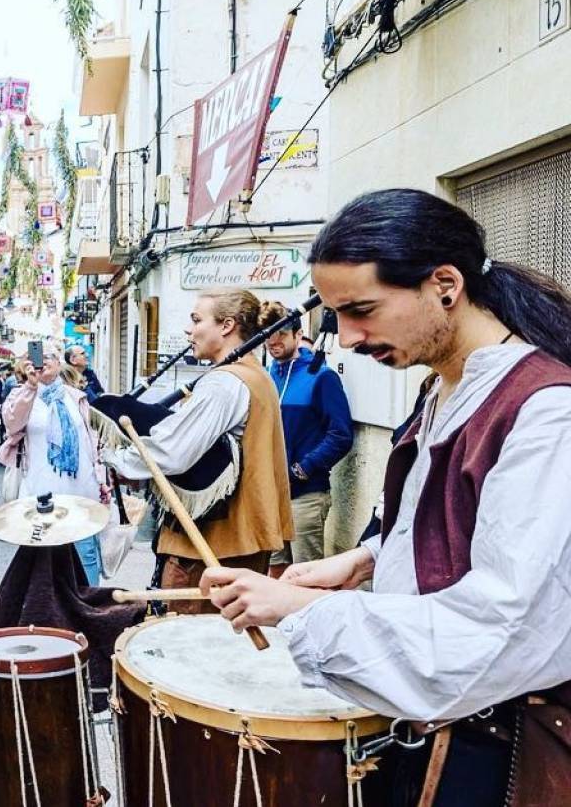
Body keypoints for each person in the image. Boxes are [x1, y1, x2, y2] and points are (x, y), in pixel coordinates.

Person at [201, 190, 571, 807]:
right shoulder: (444, 388)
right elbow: (460, 522)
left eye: (362, 309)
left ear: (444, 285)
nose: (345, 337)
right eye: (334, 314)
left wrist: (297, 608)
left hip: (500, 753)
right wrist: (367, 558)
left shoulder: (547, 414)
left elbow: (503, 628)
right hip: (442, 731)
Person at [101, 288, 292, 609]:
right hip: (239, 540)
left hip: (209, 545)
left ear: (227, 325)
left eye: (196, 319)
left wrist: (112, 459)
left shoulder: (224, 383)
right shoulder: (257, 376)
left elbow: (171, 452)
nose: (189, 330)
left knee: (186, 643)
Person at [0, 352, 108, 583]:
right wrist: (30, 385)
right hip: (40, 497)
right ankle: (47, 615)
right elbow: (12, 424)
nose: (42, 360)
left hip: (82, 493)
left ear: (59, 363)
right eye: (36, 355)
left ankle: (85, 613)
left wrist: (101, 480)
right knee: (43, 566)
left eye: (49, 355)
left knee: (86, 557)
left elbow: (89, 442)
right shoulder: (22, 396)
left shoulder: (75, 396)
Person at [258, 301, 354, 565]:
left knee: (306, 574)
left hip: (306, 496)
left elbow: (341, 434)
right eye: (268, 335)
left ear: (298, 335)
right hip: (271, 495)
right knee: (273, 569)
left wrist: (303, 469)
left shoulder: (321, 377)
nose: (273, 341)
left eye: (280, 334)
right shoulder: (266, 377)